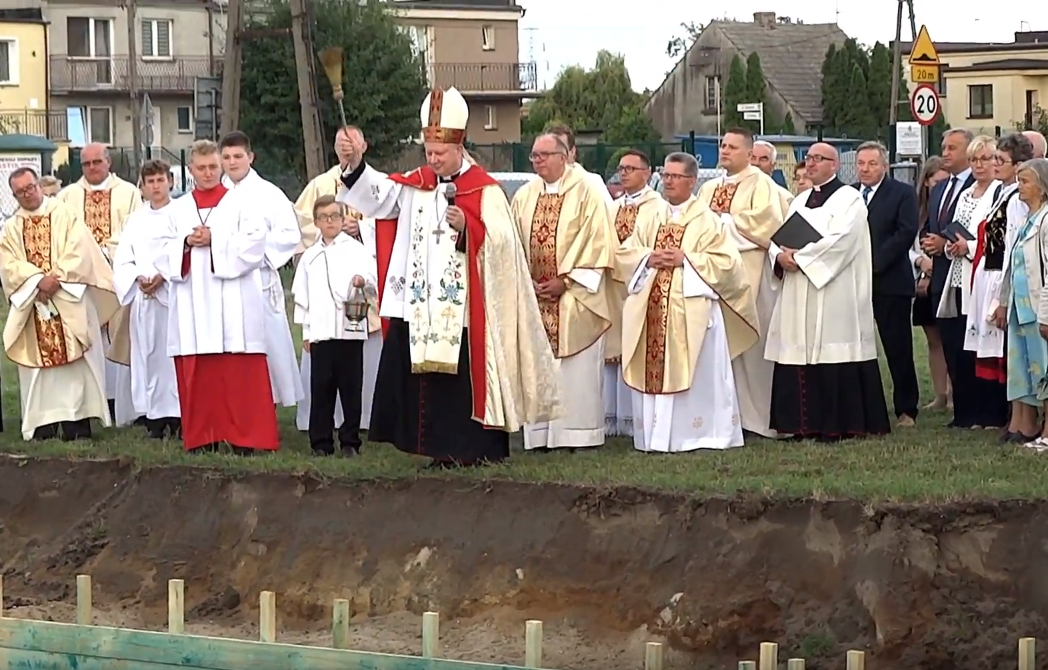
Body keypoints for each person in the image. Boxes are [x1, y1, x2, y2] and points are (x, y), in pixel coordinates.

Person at [337, 86, 559, 468]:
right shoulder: (417, 184)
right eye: (429, 153)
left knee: (461, 384)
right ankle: (438, 451)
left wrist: (467, 229)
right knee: (427, 385)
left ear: (460, 147)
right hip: (422, 305)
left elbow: (504, 248)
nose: (434, 160)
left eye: (440, 154)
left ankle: (477, 449)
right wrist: (355, 163)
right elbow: (378, 198)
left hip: (466, 310)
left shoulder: (484, 190)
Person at [615, 152, 758, 451]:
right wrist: (648, 257)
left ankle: (696, 435)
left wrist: (687, 259)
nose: (667, 182)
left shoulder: (707, 220)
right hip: (652, 308)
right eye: (665, 175)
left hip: (692, 311)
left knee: (696, 371)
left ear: (692, 181)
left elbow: (728, 264)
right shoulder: (650, 215)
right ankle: (652, 436)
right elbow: (625, 252)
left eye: (675, 176)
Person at [159, 139, 280, 454]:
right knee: (201, 376)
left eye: (214, 166)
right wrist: (185, 242)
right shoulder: (177, 208)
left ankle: (245, 438)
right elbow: (160, 250)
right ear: (191, 170)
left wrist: (216, 240)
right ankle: (203, 437)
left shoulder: (241, 203)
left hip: (233, 302)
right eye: (202, 168)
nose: (209, 173)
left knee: (238, 374)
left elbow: (255, 244)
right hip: (192, 303)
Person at [765, 143, 891, 440]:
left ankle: (838, 424)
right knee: (798, 348)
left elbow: (842, 241)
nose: (810, 164)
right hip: (798, 288)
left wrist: (801, 259)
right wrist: (779, 257)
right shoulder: (800, 199)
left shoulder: (850, 199)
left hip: (835, 289)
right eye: (808, 158)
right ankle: (799, 425)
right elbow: (781, 235)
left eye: (818, 159)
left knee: (833, 349)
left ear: (834, 165)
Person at [512, 132, 615, 451]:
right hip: (536, 297)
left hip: (576, 298)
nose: (538, 161)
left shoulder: (588, 192)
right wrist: (528, 282)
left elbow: (599, 241)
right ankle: (541, 435)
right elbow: (513, 242)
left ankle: (578, 435)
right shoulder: (524, 195)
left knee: (576, 373)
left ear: (563, 157)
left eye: (544, 155)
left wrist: (565, 281)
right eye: (534, 156)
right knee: (541, 367)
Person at [1, 167, 120, 440]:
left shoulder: (65, 214)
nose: (27, 194)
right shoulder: (11, 228)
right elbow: (9, 266)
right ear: (14, 195)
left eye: (30, 187)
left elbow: (80, 250)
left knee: (75, 369)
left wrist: (55, 279)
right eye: (20, 192)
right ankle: (44, 425)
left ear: (38, 185)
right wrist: (36, 282)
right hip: (34, 306)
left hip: (68, 299)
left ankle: (77, 424)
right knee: (38, 373)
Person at [698, 128, 788, 438]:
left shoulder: (761, 184)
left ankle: (757, 418)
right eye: (722, 145)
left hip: (750, 277)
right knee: (718, 348)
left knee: (751, 349)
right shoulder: (708, 188)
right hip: (713, 277)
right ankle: (723, 416)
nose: (724, 151)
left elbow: (769, 224)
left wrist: (722, 222)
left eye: (732, 147)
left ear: (749, 154)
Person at [56, 142, 142, 417]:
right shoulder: (66, 197)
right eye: (86, 164)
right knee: (88, 334)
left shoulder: (129, 193)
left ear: (108, 162)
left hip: (118, 273)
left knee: (118, 333)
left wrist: (105, 253)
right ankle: (92, 399)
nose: (92, 168)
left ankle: (120, 400)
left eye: (97, 162)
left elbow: (134, 230)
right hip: (81, 278)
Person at [219, 131, 304, 409]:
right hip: (224, 281)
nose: (232, 163)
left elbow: (290, 234)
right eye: (227, 157)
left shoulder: (268, 193)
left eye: (238, 156)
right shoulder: (218, 194)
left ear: (250, 157)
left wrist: (253, 254)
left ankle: (268, 401)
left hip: (258, 279)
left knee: (266, 342)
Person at [292, 195, 378, 456]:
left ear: (343, 219)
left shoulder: (357, 250)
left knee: (351, 388)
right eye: (324, 217)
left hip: (349, 329)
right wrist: (306, 332)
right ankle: (321, 442)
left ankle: (350, 442)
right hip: (321, 331)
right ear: (317, 222)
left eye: (335, 216)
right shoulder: (310, 256)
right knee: (322, 389)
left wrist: (363, 280)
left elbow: (373, 282)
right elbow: (302, 298)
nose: (330, 221)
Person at [970, 134, 1035, 441]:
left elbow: (1014, 245)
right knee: (1009, 353)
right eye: (993, 158)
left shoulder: (1019, 201)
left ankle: (1022, 418)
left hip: (1011, 279)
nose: (994, 164)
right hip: (995, 274)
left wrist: (1002, 296)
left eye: (1000, 160)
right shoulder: (1003, 194)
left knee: (1017, 354)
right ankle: (1014, 418)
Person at [111, 159, 181, 439]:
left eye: (160, 180)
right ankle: (154, 417)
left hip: (173, 296)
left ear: (171, 182)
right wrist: (138, 277)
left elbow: (183, 250)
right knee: (148, 357)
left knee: (172, 357)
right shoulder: (136, 219)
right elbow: (123, 258)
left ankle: (178, 415)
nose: (156, 186)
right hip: (144, 298)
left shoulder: (181, 214)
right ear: (142, 187)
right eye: (150, 182)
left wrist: (163, 275)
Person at [853, 140, 920, 427]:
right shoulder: (849, 195)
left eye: (872, 164)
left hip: (890, 282)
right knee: (856, 346)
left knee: (897, 347)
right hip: (854, 284)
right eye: (861, 164)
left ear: (885, 166)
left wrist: (873, 264)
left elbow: (905, 233)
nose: (865, 169)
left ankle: (906, 409)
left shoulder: (902, 194)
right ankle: (861, 405)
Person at [919, 129, 976, 428]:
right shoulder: (941, 187)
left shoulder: (977, 185)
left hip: (965, 274)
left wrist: (945, 243)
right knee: (949, 341)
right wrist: (928, 242)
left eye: (953, 147)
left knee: (967, 342)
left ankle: (972, 406)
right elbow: (929, 222)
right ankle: (960, 410)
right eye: (943, 147)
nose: (946, 152)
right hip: (941, 274)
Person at [604, 149, 662, 437]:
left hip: (640, 283)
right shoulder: (612, 206)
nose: (624, 173)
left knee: (634, 346)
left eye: (631, 168)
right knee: (611, 349)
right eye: (621, 168)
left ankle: (630, 419)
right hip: (613, 285)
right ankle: (610, 416)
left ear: (647, 172)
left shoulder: (657, 206)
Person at [1002, 158, 1048, 450]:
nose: (1020, 186)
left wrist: (1046, 313)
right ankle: (1026, 424)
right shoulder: (1029, 219)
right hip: (1021, 308)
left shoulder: (1046, 220)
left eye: (1026, 181)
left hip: (1037, 307)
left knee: (1046, 368)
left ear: (1042, 187)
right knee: (1024, 367)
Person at [910, 157, 952, 410]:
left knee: (951, 339)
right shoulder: (918, 212)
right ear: (926, 181)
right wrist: (919, 263)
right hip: (923, 278)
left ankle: (956, 393)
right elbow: (910, 245)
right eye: (937, 181)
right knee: (934, 340)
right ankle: (940, 394)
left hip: (945, 276)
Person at [545, 124, 614, 204]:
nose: (555, 156)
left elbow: (608, 215)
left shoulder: (592, 183)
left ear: (572, 152)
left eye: (560, 149)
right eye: (549, 151)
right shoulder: (535, 187)